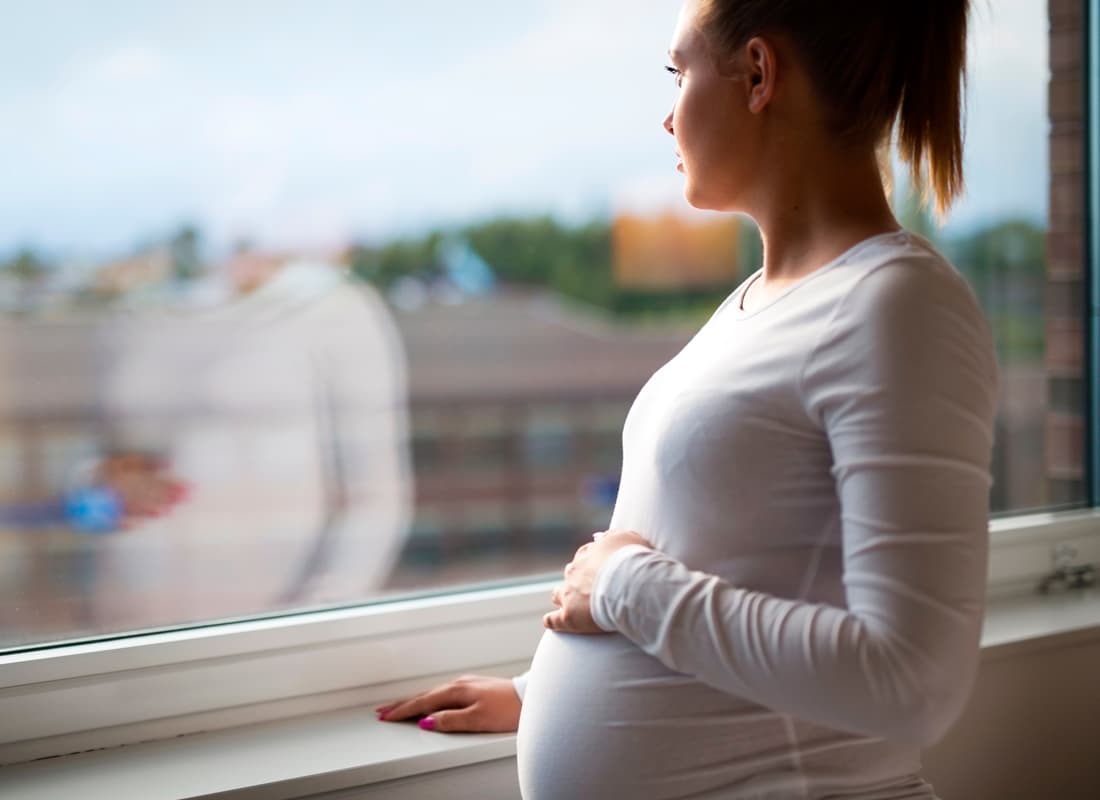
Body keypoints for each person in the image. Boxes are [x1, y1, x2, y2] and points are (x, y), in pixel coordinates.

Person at [380, 1, 997, 798]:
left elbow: (911, 680)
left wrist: (623, 587)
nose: (666, 116)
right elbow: (741, 562)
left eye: (678, 72)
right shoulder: (760, 301)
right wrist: (536, 697)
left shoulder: (898, 308)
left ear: (757, 73)